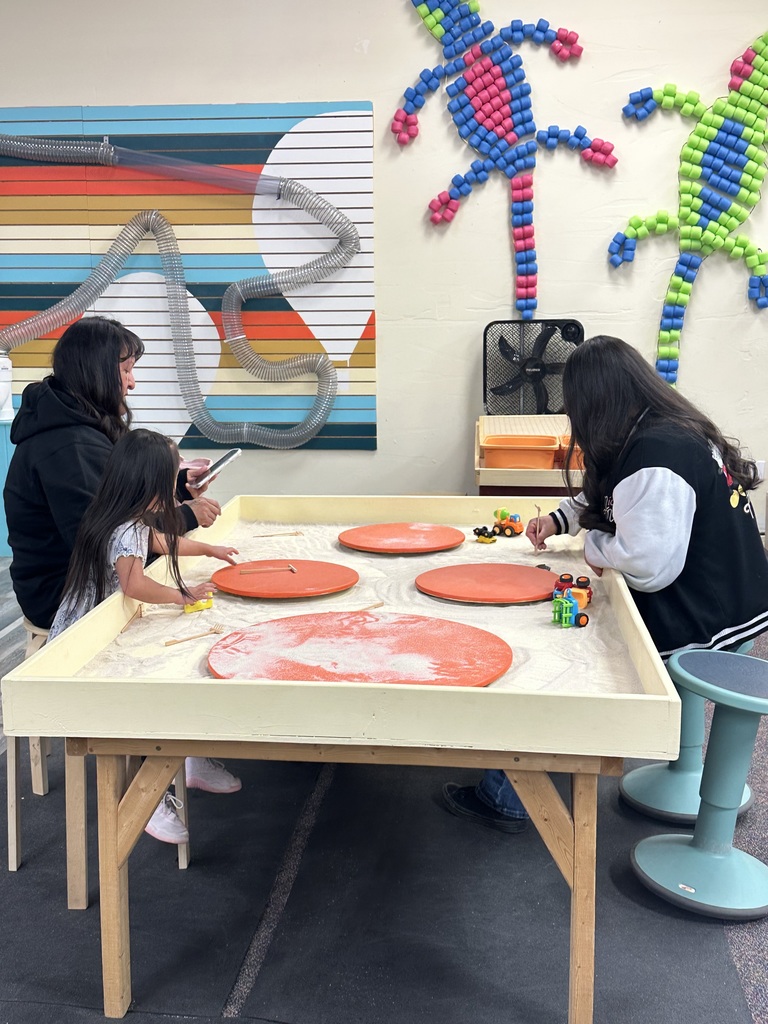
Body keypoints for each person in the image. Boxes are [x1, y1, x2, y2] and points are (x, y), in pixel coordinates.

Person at [443, 334, 768, 832]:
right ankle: (673, 768)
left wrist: (592, 548)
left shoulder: (658, 455)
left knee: (563, 668)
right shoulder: (654, 429)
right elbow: (614, 496)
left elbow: (648, 563)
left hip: (708, 616)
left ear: (594, 403)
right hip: (735, 595)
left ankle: (508, 798)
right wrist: (559, 519)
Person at [49, 428, 242, 844]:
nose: (171, 493)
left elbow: (159, 540)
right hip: (88, 637)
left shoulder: (121, 516)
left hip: (103, 622)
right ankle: (145, 796)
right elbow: (134, 584)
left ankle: (187, 760)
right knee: (142, 698)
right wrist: (181, 595)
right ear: (145, 484)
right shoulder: (124, 527)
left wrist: (209, 550)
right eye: (165, 482)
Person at [3, 315, 221, 653]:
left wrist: (178, 488)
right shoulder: (70, 447)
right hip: (65, 602)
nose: (132, 383)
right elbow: (112, 535)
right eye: (126, 370)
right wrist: (187, 516)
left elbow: (121, 497)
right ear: (97, 371)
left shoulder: (86, 426)